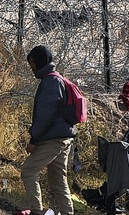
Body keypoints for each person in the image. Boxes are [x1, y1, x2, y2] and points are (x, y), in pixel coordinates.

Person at [21, 45, 77, 215]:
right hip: (64, 137)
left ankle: (37, 212)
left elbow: (45, 115)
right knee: (58, 180)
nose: (31, 66)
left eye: (32, 62)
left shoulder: (50, 82)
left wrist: (33, 140)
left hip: (54, 138)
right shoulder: (55, 79)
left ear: (40, 62)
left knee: (28, 171)